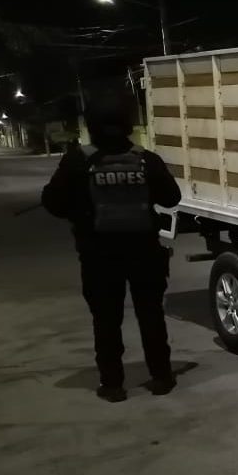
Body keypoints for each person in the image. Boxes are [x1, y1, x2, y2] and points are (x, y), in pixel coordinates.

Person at [42, 90, 181, 402]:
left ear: (91, 124)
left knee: (105, 320)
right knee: (151, 316)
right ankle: (161, 377)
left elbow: (52, 202)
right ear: (128, 123)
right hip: (144, 253)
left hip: (98, 255)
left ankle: (113, 384)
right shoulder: (145, 159)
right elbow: (172, 197)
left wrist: (81, 211)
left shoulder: (78, 161)